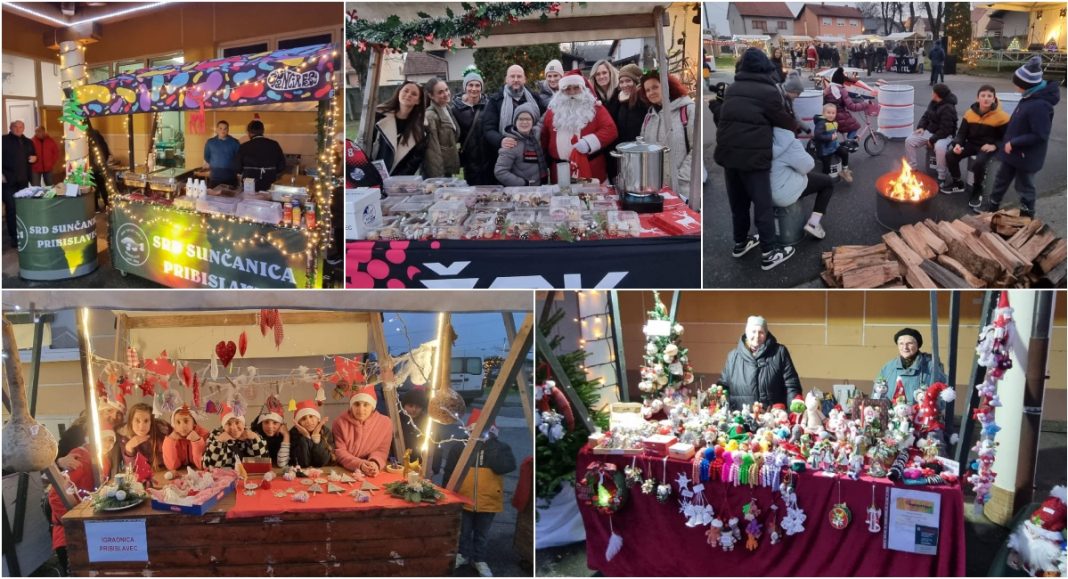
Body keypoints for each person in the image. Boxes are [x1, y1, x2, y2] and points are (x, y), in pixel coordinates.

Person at [714, 48, 798, 271]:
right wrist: (798, 125)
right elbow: (785, 122)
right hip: (753, 157)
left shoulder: (732, 88)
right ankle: (769, 253)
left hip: (729, 154)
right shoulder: (768, 91)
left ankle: (740, 242)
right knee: (763, 204)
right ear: (765, 66)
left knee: (738, 203)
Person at [981, 55, 1060, 218]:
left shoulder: (1040, 105)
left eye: (1017, 83)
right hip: (1012, 153)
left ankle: (1027, 215)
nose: (1015, 86)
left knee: (1024, 186)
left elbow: (1040, 134)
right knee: (1000, 180)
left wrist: (1014, 143)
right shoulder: (1029, 97)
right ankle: (992, 207)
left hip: (1026, 156)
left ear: (1026, 85)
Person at [446, 409, 517, 578]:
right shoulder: (459, 446)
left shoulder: (500, 448)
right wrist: (448, 494)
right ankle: (462, 555)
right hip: (464, 497)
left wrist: (492, 447)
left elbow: (505, 467)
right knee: (464, 530)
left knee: (482, 534)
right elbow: (450, 471)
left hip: (488, 500)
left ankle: (479, 559)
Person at [49, 429, 115, 575]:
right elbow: (55, 495)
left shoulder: (103, 459)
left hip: (89, 527)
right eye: (104, 438)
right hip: (69, 534)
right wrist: (74, 522)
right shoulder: (81, 458)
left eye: (111, 440)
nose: (108, 443)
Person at [541, 70, 618, 184]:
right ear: (561, 92)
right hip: (560, 171)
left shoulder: (595, 108)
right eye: (567, 89)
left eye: (576, 88)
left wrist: (589, 142)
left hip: (591, 170)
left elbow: (611, 130)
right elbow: (544, 138)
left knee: (591, 200)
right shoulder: (552, 111)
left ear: (583, 89)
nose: (572, 92)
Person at [941, 85, 1009, 207]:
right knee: (951, 155)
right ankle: (957, 183)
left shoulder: (1002, 117)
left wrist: (994, 146)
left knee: (979, 163)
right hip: (972, 144)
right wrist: (957, 144)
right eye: (983, 96)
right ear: (978, 98)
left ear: (994, 99)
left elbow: (1007, 137)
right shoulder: (969, 113)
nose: (986, 99)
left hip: (987, 146)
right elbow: (962, 133)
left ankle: (977, 190)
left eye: (989, 96)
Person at [720, 316, 802, 410]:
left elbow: (791, 385)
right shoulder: (733, 356)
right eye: (753, 331)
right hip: (740, 417)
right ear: (746, 333)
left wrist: (794, 409)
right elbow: (723, 385)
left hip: (773, 417)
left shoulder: (779, 352)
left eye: (761, 332)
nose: (757, 336)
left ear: (766, 334)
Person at [770, 126, 836, 239]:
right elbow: (808, 166)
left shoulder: (756, 135)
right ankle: (813, 223)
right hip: (781, 193)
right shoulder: (786, 140)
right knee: (827, 182)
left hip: (760, 192)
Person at [639, 71, 695, 196]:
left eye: (655, 87)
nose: (651, 92)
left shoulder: (687, 110)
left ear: (667, 85)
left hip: (683, 190)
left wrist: (681, 178)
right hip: (654, 189)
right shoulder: (649, 117)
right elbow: (643, 148)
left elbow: (696, 149)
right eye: (647, 90)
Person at [875, 328, 947, 404]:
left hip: (920, 414)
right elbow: (876, 394)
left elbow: (943, 392)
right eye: (901, 343)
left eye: (909, 343)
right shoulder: (888, 368)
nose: (905, 347)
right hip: (892, 414)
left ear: (918, 345)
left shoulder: (931, 367)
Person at [905, 84, 958, 186]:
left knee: (939, 147)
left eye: (933, 92)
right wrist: (921, 127)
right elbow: (926, 116)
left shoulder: (948, 108)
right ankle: (912, 168)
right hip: (931, 131)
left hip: (945, 135)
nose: (931, 93)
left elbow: (945, 130)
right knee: (909, 140)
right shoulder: (934, 102)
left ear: (937, 95)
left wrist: (932, 140)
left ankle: (941, 176)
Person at [332, 386, 392, 476]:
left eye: (366, 404)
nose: (360, 409)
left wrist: (374, 463)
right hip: (345, 469)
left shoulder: (385, 423)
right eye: (356, 404)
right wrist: (359, 464)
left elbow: (382, 450)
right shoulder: (339, 423)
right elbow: (340, 451)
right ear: (351, 405)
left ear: (372, 406)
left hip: (371, 469)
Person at [483, 65, 545, 153]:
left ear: (524, 79)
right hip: (507, 152)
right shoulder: (495, 100)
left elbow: (543, 122)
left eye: (519, 76)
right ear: (506, 79)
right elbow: (488, 129)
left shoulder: (535, 99)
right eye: (512, 76)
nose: (516, 79)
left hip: (532, 150)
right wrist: (501, 140)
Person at [372, 82, 427, 177]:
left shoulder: (421, 128)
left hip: (399, 180)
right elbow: (366, 145)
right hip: (373, 175)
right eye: (405, 91)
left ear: (418, 101)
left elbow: (414, 160)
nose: (408, 95)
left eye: (414, 94)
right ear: (398, 93)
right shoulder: (378, 116)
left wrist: (398, 179)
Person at [606, 64, 649, 179]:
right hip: (619, 151)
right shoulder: (616, 98)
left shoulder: (643, 100)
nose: (624, 85)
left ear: (636, 81)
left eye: (628, 81)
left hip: (638, 152)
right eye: (622, 81)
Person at [451, 69, 493, 186]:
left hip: (489, 158)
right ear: (465, 87)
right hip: (470, 160)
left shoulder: (489, 106)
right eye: (470, 85)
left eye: (477, 85)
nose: (474, 89)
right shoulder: (455, 110)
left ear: (481, 87)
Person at [202, 405, 268, 469]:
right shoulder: (215, 436)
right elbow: (208, 465)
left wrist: (255, 439)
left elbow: (262, 462)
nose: (234, 428)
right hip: (224, 477)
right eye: (228, 423)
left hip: (247, 477)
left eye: (237, 422)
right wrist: (219, 442)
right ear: (223, 426)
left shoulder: (251, 434)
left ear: (243, 423)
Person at [822, 67, 871, 153]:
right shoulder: (841, 90)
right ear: (841, 81)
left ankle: (845, 142)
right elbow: (852, 107)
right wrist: (865, 104)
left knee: (845, 125)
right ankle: (849, 143)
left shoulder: (828, 88)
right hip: (839, 115)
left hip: (829, 115)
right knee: (855, 125)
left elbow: (842, 100)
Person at [2, 121, 35, 245]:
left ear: (24, 128)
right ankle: (14, 238)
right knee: (11, 208)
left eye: (21, 126)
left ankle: (23, 232)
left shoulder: (28, 142)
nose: (18, 129)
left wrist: (34, 158)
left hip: (23, 182)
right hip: (7, 182)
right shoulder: (3, 140)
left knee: (22, 208)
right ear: (11, 128)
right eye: (15, 126)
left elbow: (33, 155)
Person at [57, 398, 125, 459]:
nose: (114, 416)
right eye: (109, 410)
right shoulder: (76, 432)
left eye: (119, 413)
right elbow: (58, 457)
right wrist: (60, 462)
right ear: (99, 412)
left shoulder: (117, 438)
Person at [494, 109, 547, 187]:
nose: (524, 122)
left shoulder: (535, 134)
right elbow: (500, 172)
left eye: (528, 119)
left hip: (539, 188)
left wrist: (554, 105)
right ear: (515, 122)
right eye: (521, 119)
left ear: (533, 122)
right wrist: (523, 183)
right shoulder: (510, 143)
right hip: (521, 192)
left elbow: (542, 122)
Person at [422, 77, 460, 178]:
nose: (446, 94)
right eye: (440, 92)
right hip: (438, 173)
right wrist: (439, 179)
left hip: (446, 168)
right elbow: (432, 152)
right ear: (431, 95)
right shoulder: (430, 116)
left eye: (447, 90)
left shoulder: (447, 108)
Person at [236, 120, 286, 191]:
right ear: (263, 131)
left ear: (249, 132)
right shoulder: (274, 145)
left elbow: (237, 167)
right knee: (267, 201)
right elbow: (282, 166)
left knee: (249, 201)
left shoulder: (244, 146)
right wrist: (270, 171)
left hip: (249, 185)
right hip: (269, 182)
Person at [813, 102, 853, 183]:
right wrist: (830, 137)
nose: (831, 115)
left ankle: (845, 171)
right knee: (826, 166)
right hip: (825, 150)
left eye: (833, 113)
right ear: (823, 113)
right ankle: (824, 180)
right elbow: (818, 136)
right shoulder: (821, 123)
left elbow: (835, 129)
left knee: (844, 152)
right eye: (828, 113)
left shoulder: (834, 121)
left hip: (834, 146)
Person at [289, 400, 333, 468]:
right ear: (299, 423)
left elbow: (321, 462)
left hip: (322, 473)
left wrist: (316, 437)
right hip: (300, 473)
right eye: (303, 419)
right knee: (303, 440)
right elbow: (302, 463)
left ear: (317, 418)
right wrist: (306, 437)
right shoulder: (293, 433)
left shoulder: (325, 431)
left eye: (311, 416)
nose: (308, 421)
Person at [162, 405, 208, 471]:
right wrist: (170, 441)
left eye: (186, 421)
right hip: (183, 472)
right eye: (178, 422)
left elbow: (201, 465)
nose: (182, 426)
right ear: (174, 425)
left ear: (194, 423)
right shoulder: (173, 439)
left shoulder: (203, 435)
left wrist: (197, 441)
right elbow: (172, 466)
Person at [202, 120, 240, 187]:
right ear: (216, 129)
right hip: (215, 177)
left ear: (228, 130)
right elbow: (206, 156)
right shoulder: (210, 142)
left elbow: (238, 158)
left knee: (230, 197)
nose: (223, 130)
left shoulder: (235, 142)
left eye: (225, 128)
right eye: (220, 128)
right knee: (213, 197)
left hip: (231, 178)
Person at [399, 388, 429, 463]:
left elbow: (434, 447)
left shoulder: (427, 424)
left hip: (419, 464)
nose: (414, 409)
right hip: (398, 462)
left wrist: (432, 467)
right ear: (404, 405)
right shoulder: (397, 421)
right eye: (410, 405)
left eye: (418, 407)